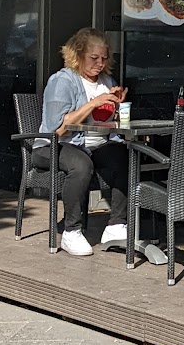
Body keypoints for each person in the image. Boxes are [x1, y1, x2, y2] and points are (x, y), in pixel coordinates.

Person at [35, 27, 129, 258]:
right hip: (53, 146)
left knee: (125, 155)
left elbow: (107, 124)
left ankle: (117, 225)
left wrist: (117, 107)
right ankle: (72, 231)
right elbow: (57, 129)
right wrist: (93, 103)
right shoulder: (63, 80)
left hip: (94, 146)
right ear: (78, 55)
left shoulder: (107, 81)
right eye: (93, 58)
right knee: (81, 164)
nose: (100, 63)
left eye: (104, 58)